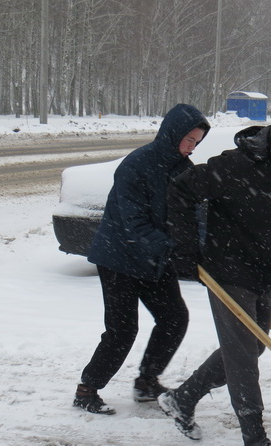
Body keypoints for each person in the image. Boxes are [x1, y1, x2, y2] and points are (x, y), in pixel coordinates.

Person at [163, 103, 271, 446]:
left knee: (254, 346)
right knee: (242, 356)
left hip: (265, 272)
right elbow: (181, 191)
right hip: (226, 270)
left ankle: (182, 398)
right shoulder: (236, 166)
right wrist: (185, 248)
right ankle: (255, 441)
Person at [73, 104, 210, 415]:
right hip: (119, 258)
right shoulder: (136, 165)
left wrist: (198, 248)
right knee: (122, 330)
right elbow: (134, 222)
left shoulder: (184, 169)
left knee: (174, 319)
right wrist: (171, 248)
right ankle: (87, 389)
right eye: (189, 139)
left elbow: (194, 215)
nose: (191, 147)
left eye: (197, 142)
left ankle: (147, 382)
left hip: (154, 260)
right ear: (173, 133)